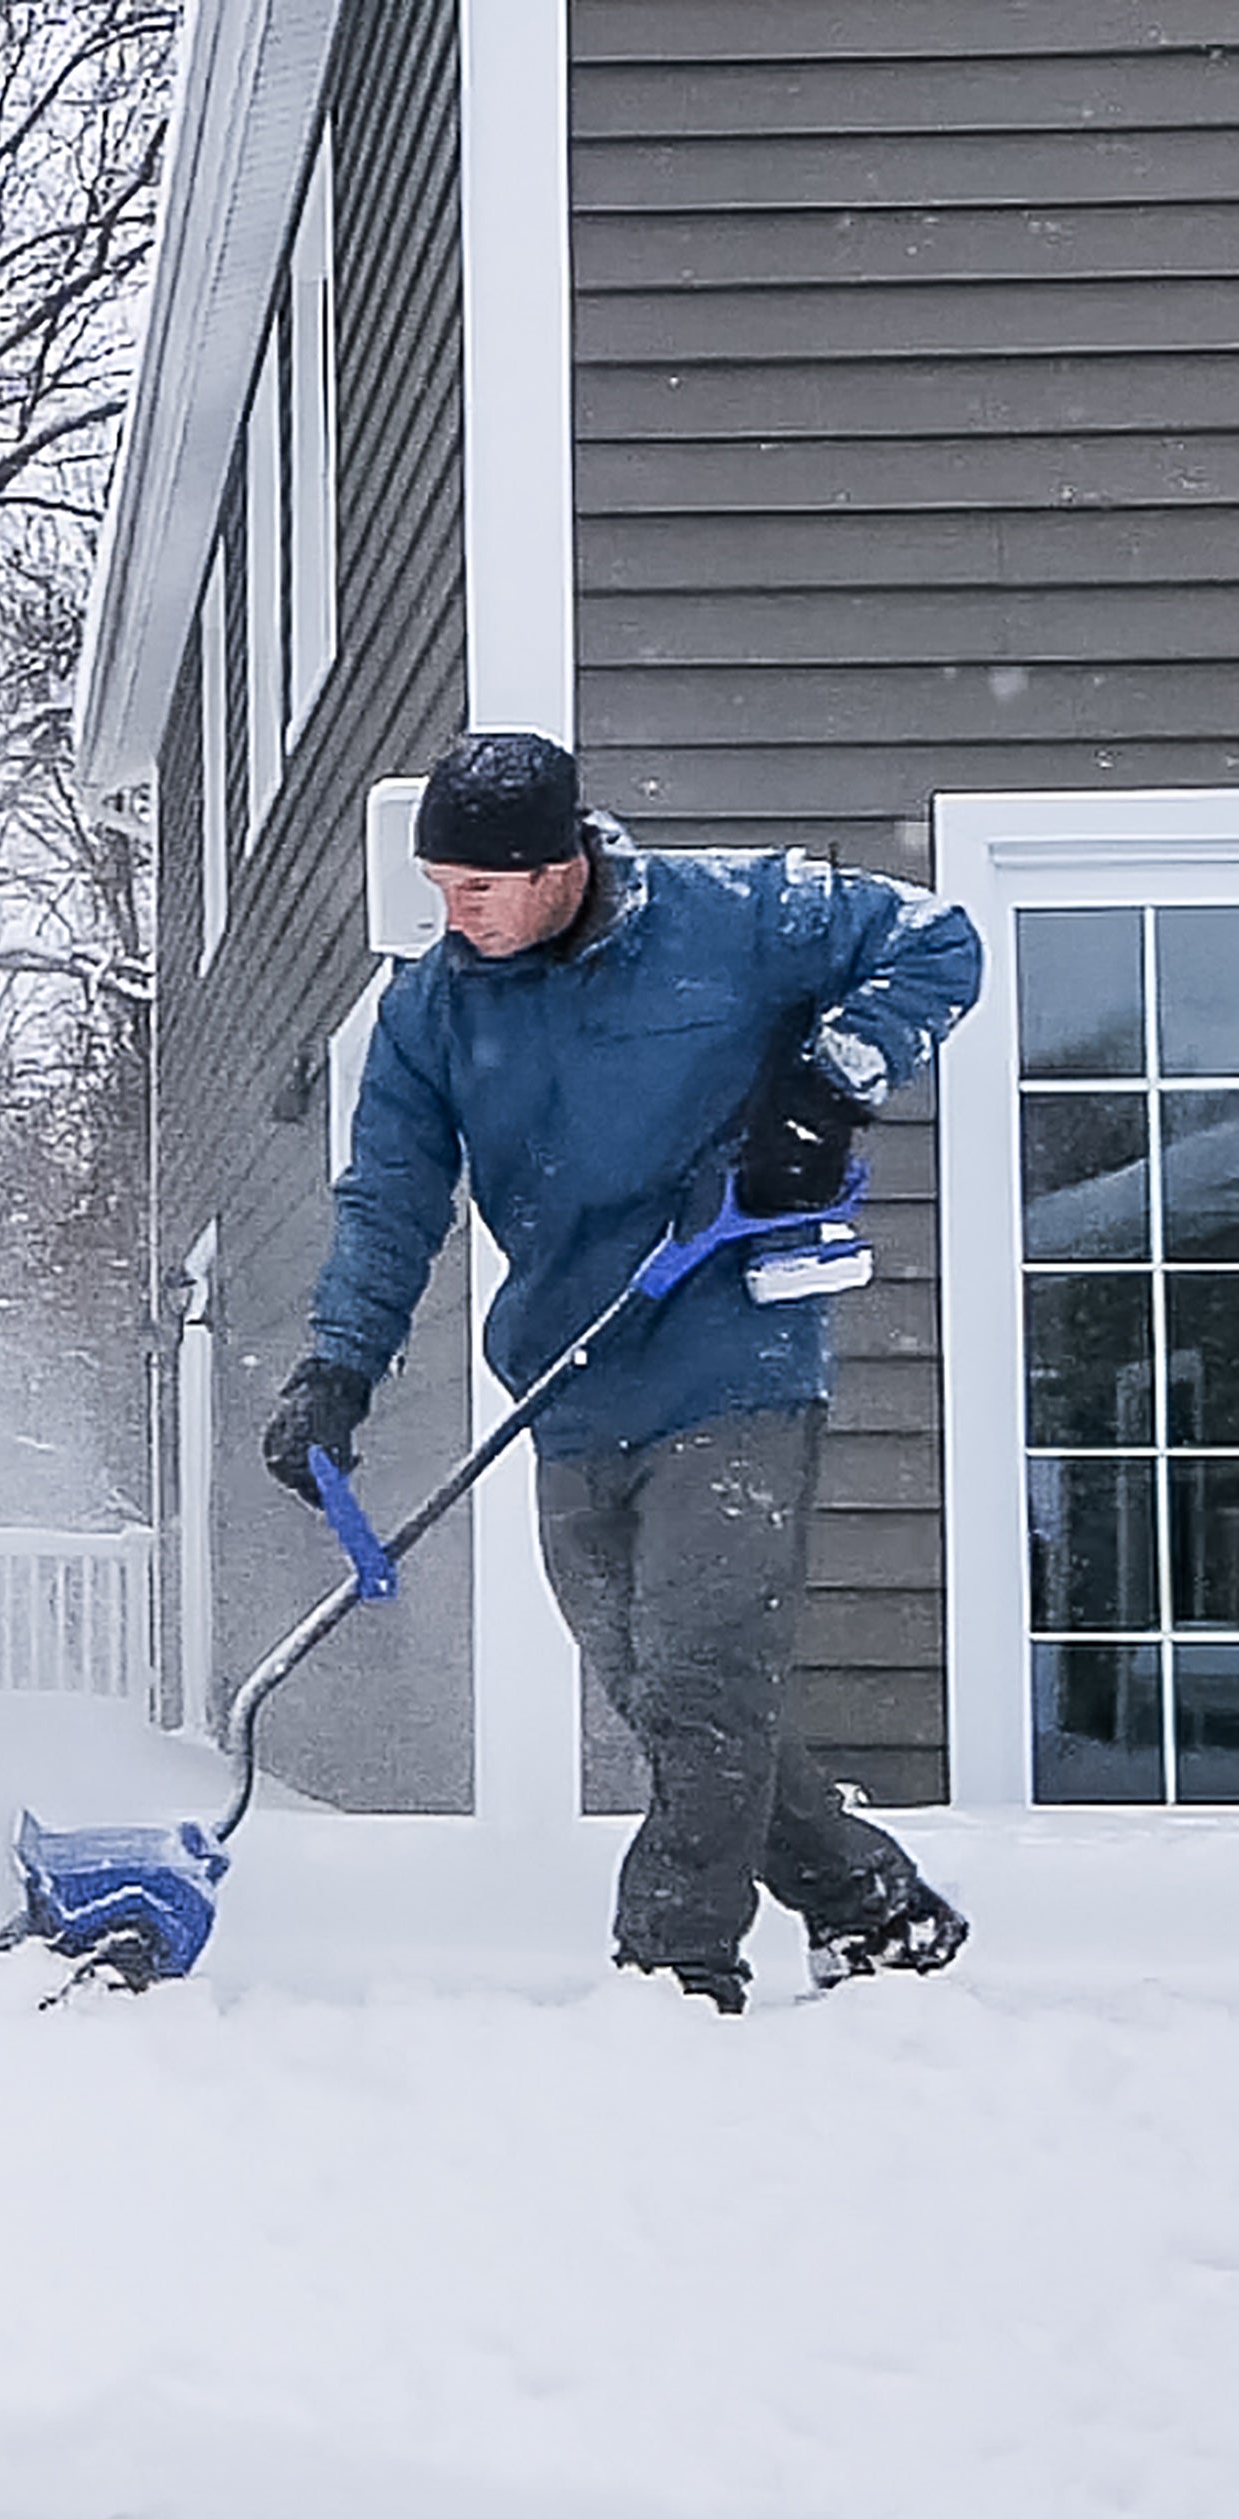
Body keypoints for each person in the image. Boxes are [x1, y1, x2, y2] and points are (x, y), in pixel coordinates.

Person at [260, 731, 983, 2014]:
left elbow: (937, 940)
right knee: (661, 1691)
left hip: (732, 1350)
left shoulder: (735, 916)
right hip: (571, 1371)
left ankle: (674, 1971)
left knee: (706, 1673)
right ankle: (870, 1905)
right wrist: (336, 1371)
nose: (455, 912)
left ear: (555, 864)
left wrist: (827, 1084)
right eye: (439, 887)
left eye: (476, 887)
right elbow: (388, 1199)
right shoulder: (431, 1008)